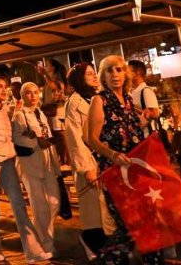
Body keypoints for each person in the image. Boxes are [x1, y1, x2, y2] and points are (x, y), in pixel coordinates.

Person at [87, 55, 163, 265]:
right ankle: (108, 260)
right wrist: (113, 154)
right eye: (109, 70)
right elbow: (90, 138)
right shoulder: (99, 100)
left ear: (126, 74)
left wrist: (144, 118)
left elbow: (133, 128)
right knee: (129, 226)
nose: (115, 74)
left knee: (148, 223)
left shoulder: (129, 100)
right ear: (103, 76)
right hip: (115, 172)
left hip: (135, 171)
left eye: (119, 69)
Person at [0, 76, 49, 263]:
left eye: (5, 87)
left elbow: (10, 134)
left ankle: (33, 250)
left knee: (19, 204)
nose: (4, 90)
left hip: (7, 158)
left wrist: (15, 113)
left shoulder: (5, 107)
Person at [63, 62, 106, 260]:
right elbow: (74, 138)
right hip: (89, 161)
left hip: (104, 158)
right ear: (79, 79)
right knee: (93, 211)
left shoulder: (97, 98)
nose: (94, 76)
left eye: (94, 72)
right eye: (89, 74)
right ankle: (91, 244)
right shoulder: (74, 103)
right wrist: (87, 167)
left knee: (104, 209)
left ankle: (103, 246)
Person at [12, 82, 60, 257]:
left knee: (54, 201)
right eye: (28, 93)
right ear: (23, 95)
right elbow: (17, 138)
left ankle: (41, 236)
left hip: (47, 161)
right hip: (30, 163)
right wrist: (37, 141)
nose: (33, 96)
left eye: (35, 92)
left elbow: (47, 135)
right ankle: (46, 244)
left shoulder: (40, 113)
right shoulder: (19, 115)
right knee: (39, 205)